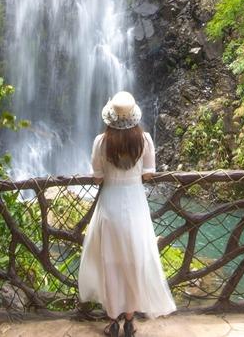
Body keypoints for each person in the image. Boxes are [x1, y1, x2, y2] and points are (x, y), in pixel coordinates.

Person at [78, 91, 177, 336]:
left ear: (111, 117)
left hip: (110, 205)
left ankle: (113, 321)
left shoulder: (101, 142)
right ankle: (130, 321)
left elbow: (98, 176)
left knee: (109, 262)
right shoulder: (145, 140)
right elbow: (148, 174)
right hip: (135, 205)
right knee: (134, 261)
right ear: (134, 116)